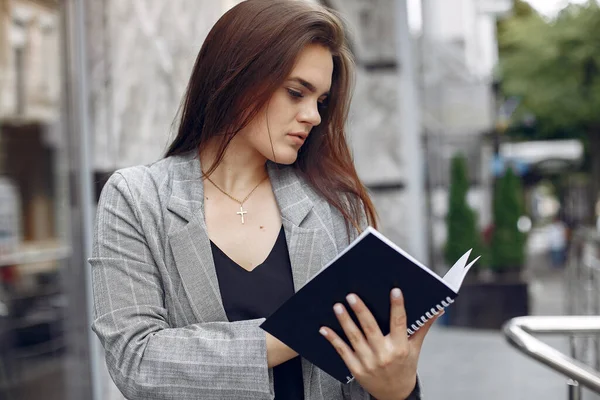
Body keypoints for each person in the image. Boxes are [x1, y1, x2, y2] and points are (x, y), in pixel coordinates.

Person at [90, 1, 438, 399]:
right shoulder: (137, 199)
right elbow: (137, 361)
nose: (314, 116)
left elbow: (360, 376)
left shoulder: (335, 206)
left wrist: (396, 390)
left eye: (321, 101)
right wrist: (305, 329)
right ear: (237, 77)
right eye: (296, 93)